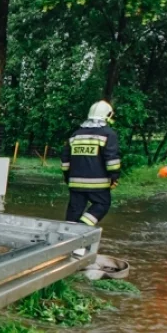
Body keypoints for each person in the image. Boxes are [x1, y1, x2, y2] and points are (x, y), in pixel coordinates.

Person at [60, 100, 121, 233]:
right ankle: (82, 228)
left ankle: (66, 235)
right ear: (108, 115)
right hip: (98, 184)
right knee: (102, 204)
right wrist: (114, 177)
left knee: (74, 210)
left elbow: (65, 160)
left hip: (75, 182)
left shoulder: (75, 135)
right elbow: (112, 159)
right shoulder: (108, 134)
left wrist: (67, 177)